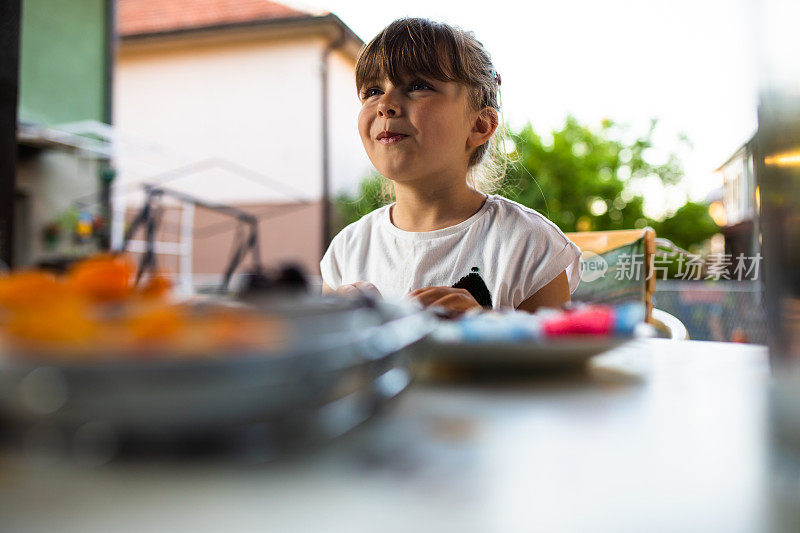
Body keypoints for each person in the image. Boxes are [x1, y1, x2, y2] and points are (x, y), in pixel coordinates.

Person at [320, 18, 582, 315]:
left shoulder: (530, 244)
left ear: (480, 125)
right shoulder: (346, 252)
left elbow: (554, 359)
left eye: (418, 86)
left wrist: (484, 327)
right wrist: (339, 327)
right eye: (372, 92)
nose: (385, 104)